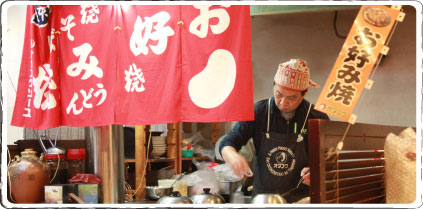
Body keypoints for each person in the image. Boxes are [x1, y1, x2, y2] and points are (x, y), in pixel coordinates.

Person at [219, 58, 329, 201]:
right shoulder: (258, 112)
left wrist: (317, 172)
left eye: (292, 97)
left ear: (304, 94)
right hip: (264, 198)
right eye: (279, 94)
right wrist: (233, 156)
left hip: (303, 198)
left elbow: (329, 158)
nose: (283, 102)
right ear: (274, 86)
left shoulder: (317, 117)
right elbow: (228, 142)